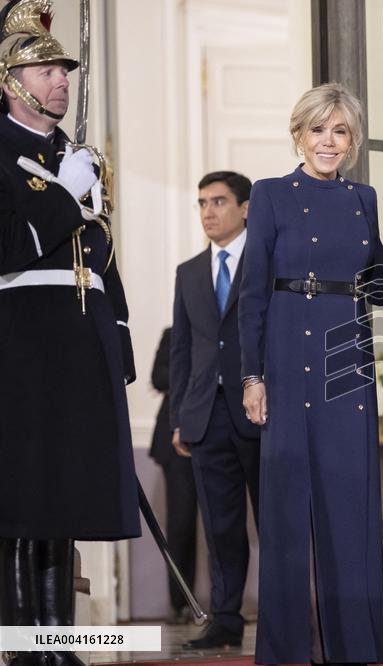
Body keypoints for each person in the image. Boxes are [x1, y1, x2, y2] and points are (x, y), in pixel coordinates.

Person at [0, 2, 139, 665]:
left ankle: (55, 643)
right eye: (46, 70)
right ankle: (25, 647)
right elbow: (9, 246)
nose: (61, 82)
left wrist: (121, 342)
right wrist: (64, 194)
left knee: (64, 500)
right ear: (11, 81)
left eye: (63, 71)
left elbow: (104, 258)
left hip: (82, 343)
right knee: (27, 500)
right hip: (23, 341)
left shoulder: (76, 155)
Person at [171, 170, 261, 650]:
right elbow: (182, 352)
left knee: (275, 520)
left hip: (261, 411)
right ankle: (225, 621)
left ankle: (289, 615)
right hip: (207, 417)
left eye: (219, 201)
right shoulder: (188, 272)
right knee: (220, 526)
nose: (208, 211)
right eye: (202, 203)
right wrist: (180, 419)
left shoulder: (266, 263)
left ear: (245, 208)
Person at [149, 326, 199, 624]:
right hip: (173, 439)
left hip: (215, 436)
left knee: (222, 526)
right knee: (180, 525)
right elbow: (158, 378)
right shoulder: (172, 334)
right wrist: (199, 373)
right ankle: (179, 604)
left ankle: (223, 605)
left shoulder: (224, 333)